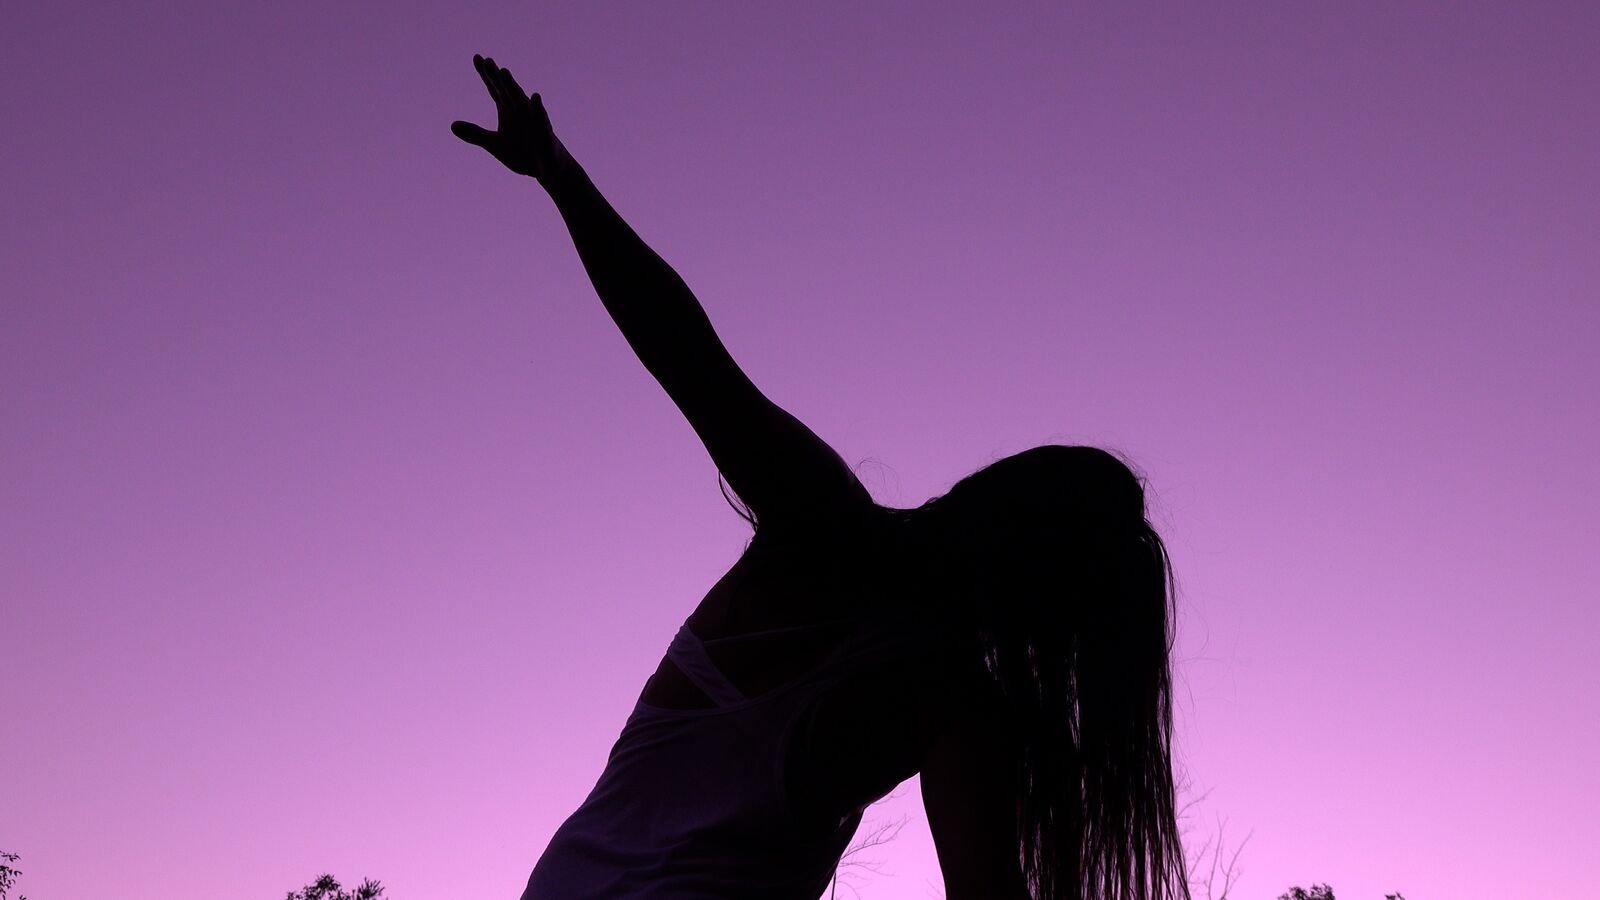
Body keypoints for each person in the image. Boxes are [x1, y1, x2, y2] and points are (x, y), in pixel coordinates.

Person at [452, 53, 1191, 900]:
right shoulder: (917, 646)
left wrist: (560, 175)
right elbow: (685, 351)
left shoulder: (854, 564)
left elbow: (690, 357)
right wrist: (560, 175)